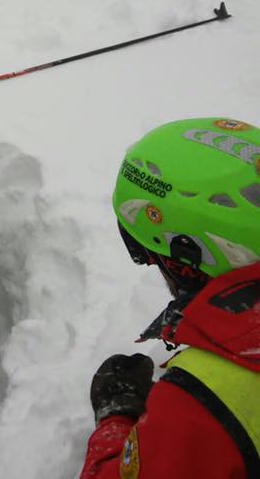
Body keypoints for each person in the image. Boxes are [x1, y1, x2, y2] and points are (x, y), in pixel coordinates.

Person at [80, 117, 260, 479]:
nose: (151, 264)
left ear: (188, 258)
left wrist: (116, 416)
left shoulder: (205, 401)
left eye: (147, 253)